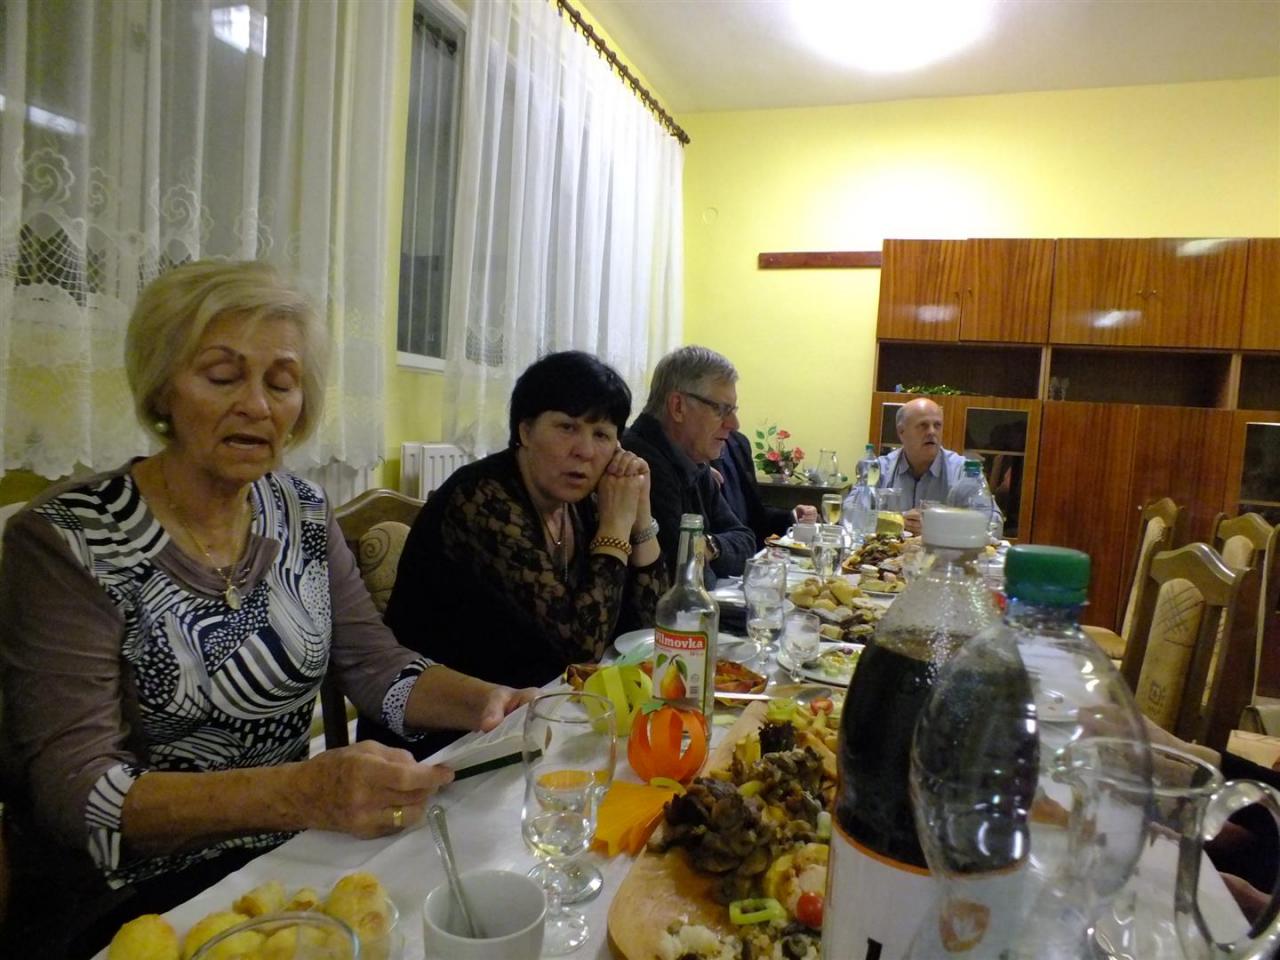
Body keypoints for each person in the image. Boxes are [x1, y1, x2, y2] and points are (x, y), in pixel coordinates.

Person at [0, 260, 535, 956]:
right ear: (162, 387)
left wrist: (494, 705)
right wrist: (299, 794)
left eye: (281, 384)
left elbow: (376, 668)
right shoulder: (68, 540)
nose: (257, 405)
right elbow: (77, 793)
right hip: (128, 903)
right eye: (223, 376)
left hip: (285, 866)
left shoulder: (301, 511)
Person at [370, 351, 668, 758]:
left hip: (538, 711)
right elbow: (581, 648)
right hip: (449, 735)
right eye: (567, 427)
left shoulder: (580, 500)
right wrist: (615, 528)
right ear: (525, 431)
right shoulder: (482, 500)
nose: (584, 450)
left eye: (601, 435)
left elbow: (651, 628)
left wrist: (641, 516)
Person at [622, 346, 756, 582]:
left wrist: (710, 546)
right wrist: (707, 552)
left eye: (732, 410)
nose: (734, 424)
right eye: (721, 410)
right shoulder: (639, 465)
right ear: (678, 407)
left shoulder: (692, 457)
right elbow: (688, 574)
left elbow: (745, 539)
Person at [876, 396, 967, 535]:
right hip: (888, 548)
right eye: (923, 425)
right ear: (901, 432)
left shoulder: (962, 471)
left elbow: (993, 522)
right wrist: (897, 521)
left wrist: (939, 525)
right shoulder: (880, 469)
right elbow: (853, 514)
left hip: (943, 548)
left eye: (937, 425)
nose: (932, 432)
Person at [713, 429, 817, 550]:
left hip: (747, 550)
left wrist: (792, 516)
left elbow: (755, 513)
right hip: (717, 553)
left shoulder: (738, 442)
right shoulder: (696, 453)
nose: (734, 424)